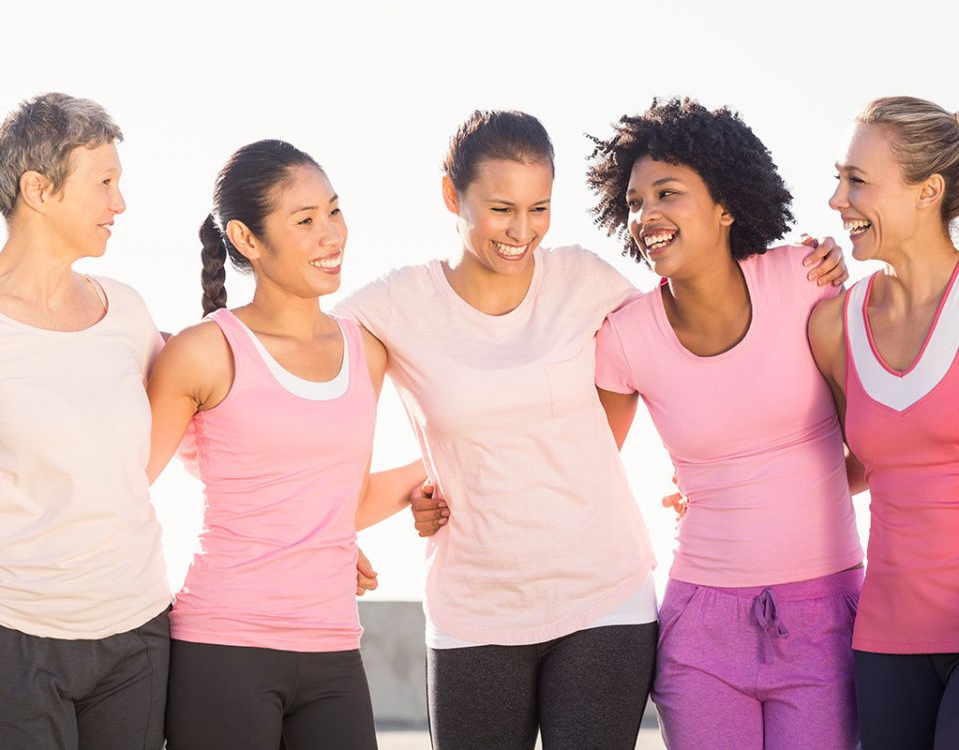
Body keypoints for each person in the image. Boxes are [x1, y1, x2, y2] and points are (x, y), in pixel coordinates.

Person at [336, 109, 847, 750]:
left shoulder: (586, 281)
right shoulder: (395, 304)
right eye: (501, 209)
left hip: (606, 596)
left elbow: (690, 351)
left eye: (539, 208)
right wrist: (382, 500)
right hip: (474, 602)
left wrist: (811, 262)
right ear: (451, 195)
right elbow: (302, 380)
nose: (521, 231)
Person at [588, 98, 863, 750]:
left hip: (824, 615)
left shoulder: (804, 282)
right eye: (632, 202)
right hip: (702, 627)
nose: (645, 214)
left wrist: (787, 496)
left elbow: (873, 446)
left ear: (726, 205)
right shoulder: (625, 337)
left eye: (667, 193)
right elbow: (585, 472)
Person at [145, 140, 425, 750]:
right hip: (222, 649)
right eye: (305, 221)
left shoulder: (366, 351)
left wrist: (437, 468)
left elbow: (342, 503)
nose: (332, 235)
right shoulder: (202, 351)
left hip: (333, 651)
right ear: (247, 239)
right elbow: (125, 485)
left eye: (333, 211)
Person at [0, 93, 171, 749]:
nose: (119, 204)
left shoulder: (125, 312)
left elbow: (205, 421)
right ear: (39, 189)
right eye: (104, 183)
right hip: (16, 640)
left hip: (137, 635)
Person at [809, 96, 959, 750]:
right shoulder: (833, 323)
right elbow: (859, 466)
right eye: (839, 178)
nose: (837, 200)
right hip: (887, 638)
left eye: (858, 180)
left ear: (929, 192)